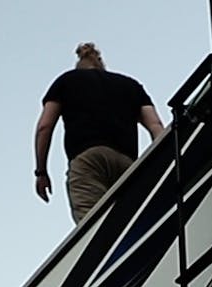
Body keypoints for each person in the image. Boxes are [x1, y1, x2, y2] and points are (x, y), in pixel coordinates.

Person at [34, 42, 164, 224]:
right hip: (128, 164)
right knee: (130, 225)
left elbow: (44, 127)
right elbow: (156, 125)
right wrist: (165, 163)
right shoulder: (131, 85)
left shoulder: (66, 81)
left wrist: (41, 172)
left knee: (95, 229)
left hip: (88, 160)